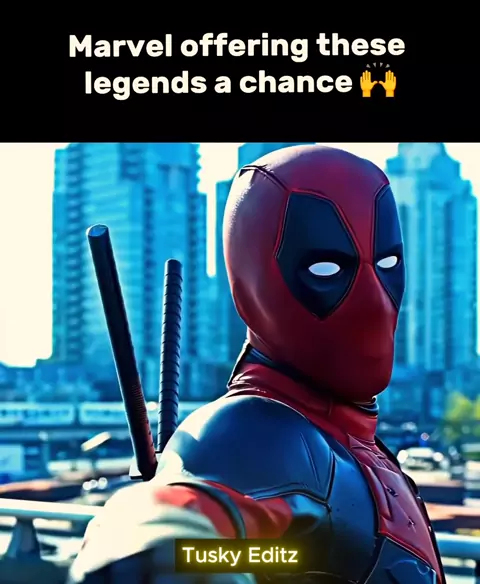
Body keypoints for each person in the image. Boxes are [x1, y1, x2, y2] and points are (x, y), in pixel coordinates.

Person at [69, 145, 445, 584]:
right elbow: (172, 529)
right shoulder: (260, 433)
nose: (373, 301)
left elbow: (277, 554)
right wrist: (169, 552)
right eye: (327, 269)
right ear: (252, 285)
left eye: (387, 264)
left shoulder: (352, 442)